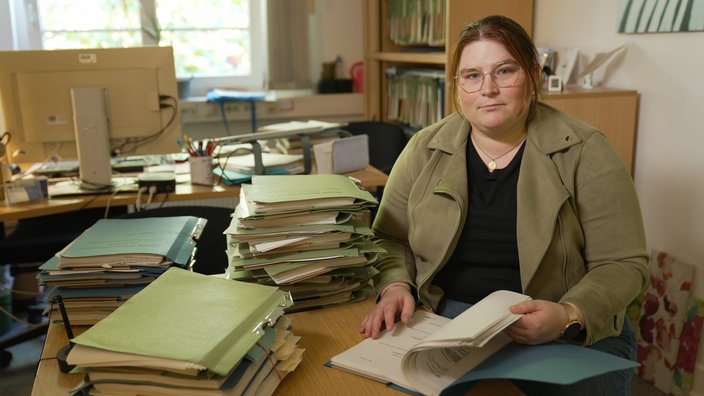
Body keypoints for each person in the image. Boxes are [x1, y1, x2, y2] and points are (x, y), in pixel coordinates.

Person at [359, 15, 649, 395]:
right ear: (457, 88)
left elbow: (624, 263)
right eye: (472, 76)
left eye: (504, 71)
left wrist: (567, 314)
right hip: (448, 318)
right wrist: (396, 284)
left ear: (532, 76)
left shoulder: (586, 150)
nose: (488, 89)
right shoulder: (423, 147)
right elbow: (389, 237)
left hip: (564, 325)